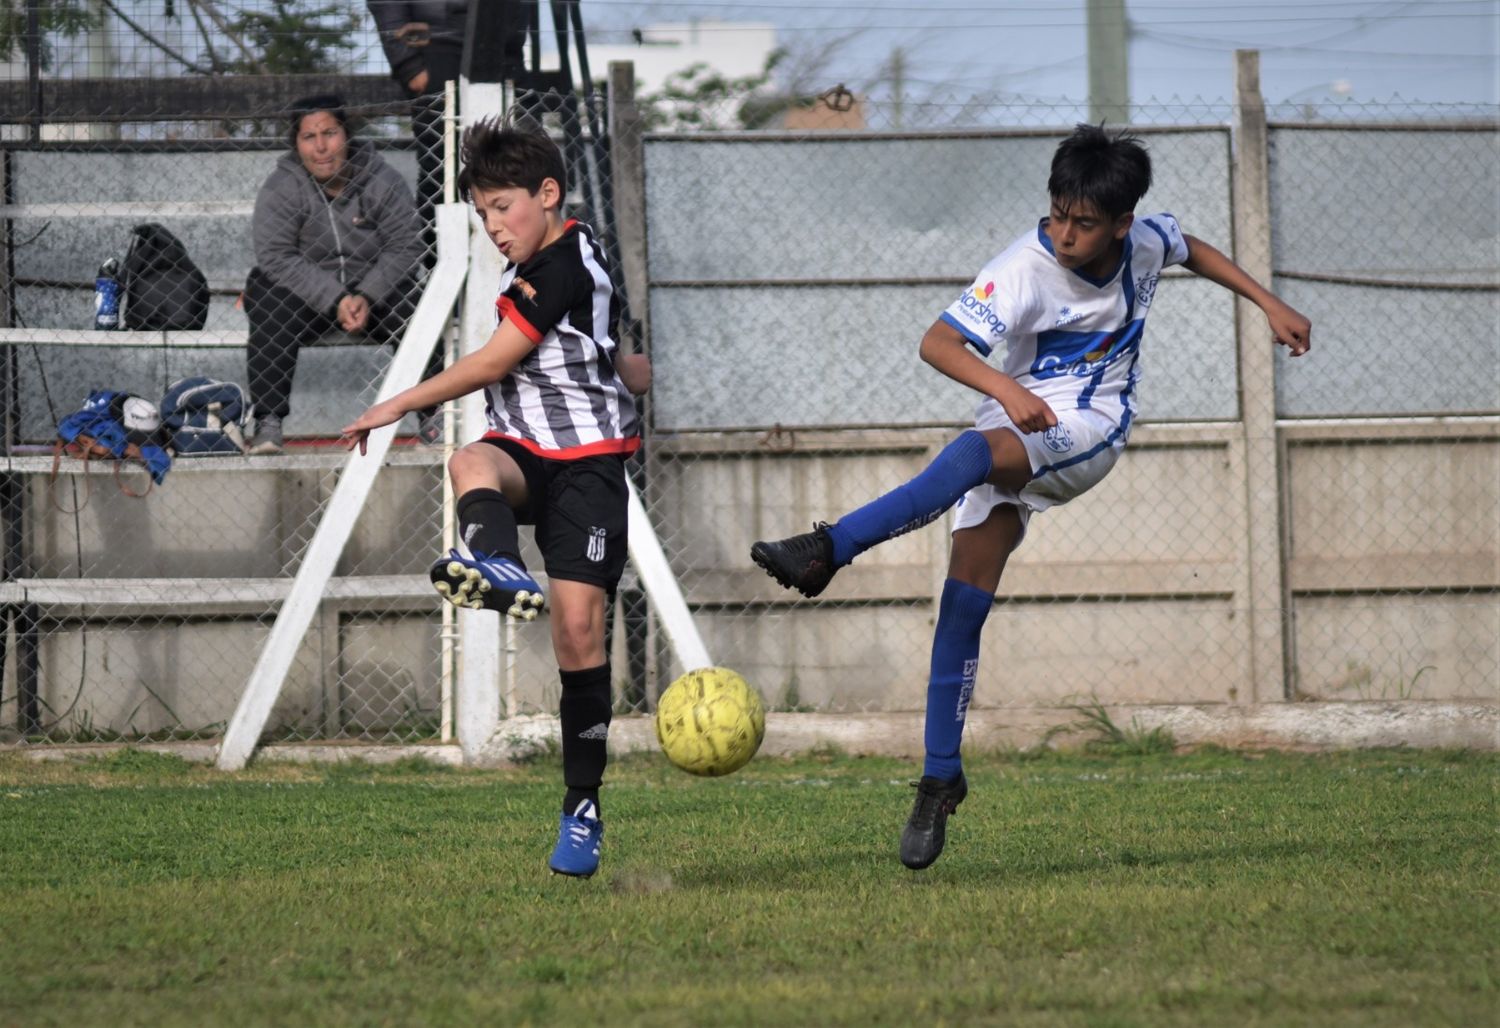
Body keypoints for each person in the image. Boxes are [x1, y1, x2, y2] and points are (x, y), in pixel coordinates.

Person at [749, 123, 1312, 872]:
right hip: (1018, 415)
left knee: (975, 455)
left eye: (1083, 223)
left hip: (1091, 428)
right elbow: (938, 343)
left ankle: (828, 549)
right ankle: (940, 776)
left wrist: (1268, 303)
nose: (1065, 233)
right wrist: (1007, 388)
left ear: (1119, 223)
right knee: (962, 602)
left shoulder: (1142, 241)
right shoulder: (1023, 266)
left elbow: (1190, 247)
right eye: (1057, 215)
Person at [340, 121, 652, 878]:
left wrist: (393, 403)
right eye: (481, 213)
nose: (492, 226)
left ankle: (582, 808)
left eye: (502, 207)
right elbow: (605, 348)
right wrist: (628, 363)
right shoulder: (556, 261)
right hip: (525, 452)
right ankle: (495, 561)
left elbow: (493, 361)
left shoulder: (564, 262)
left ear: (548, 196)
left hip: (588, 469)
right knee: (469, 456)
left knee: (579, 633)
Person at [244, 94, 433, 454]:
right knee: (267, 299)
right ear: (296, 143)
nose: (321, 147)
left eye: (330, 133)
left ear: (346, 135)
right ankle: (268, 423)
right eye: (309, 137)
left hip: (374, 292)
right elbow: (276, 256)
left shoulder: (382, 179)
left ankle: (433, 417)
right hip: (310, 296)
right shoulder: (282, 187)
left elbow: (406, 246)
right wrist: (335, 298)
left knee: (420, 304)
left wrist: (366, 294)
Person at [367, 1, 468, 268]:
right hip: (436, 55)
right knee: (442, 169)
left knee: (501, 164)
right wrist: (408, 66)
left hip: (494, 52)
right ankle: (442, 266)